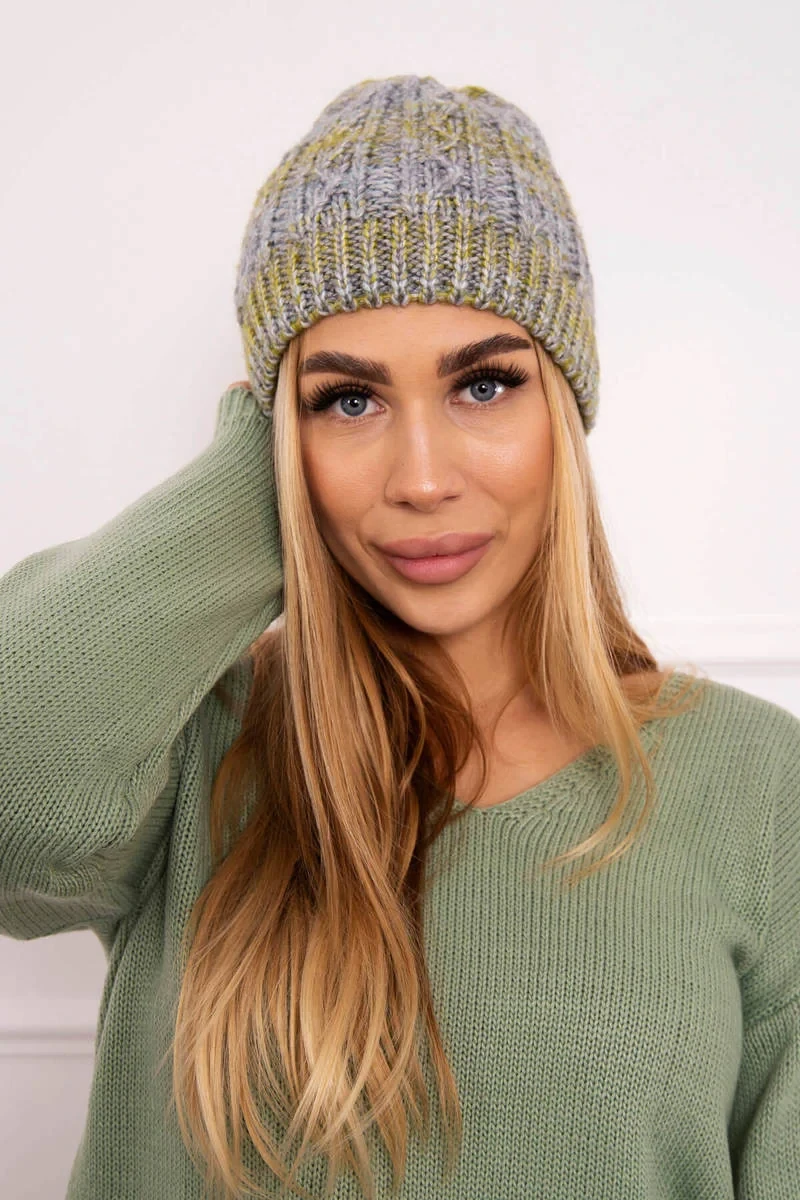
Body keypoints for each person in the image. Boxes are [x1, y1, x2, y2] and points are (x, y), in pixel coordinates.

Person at [1, 74, 798, 1200]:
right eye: (349, 401)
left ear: (565, 414)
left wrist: (320, 412)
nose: (422, 478)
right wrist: (261, 469)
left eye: (485, 386)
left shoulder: (760, 788)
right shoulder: (191, 745)